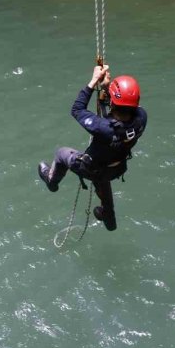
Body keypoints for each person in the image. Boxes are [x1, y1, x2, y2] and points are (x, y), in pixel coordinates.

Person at [37, 65, 147, 231]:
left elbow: (77, 110)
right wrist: (106, 89)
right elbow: (124, 108)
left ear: (114, 103)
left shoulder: (103, 128)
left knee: (61, 154)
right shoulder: (141, 118)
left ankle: (51, 182)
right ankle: (109, 218)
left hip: (92, 169)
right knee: (102, 175)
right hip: (117, 168)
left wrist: (93, 81)